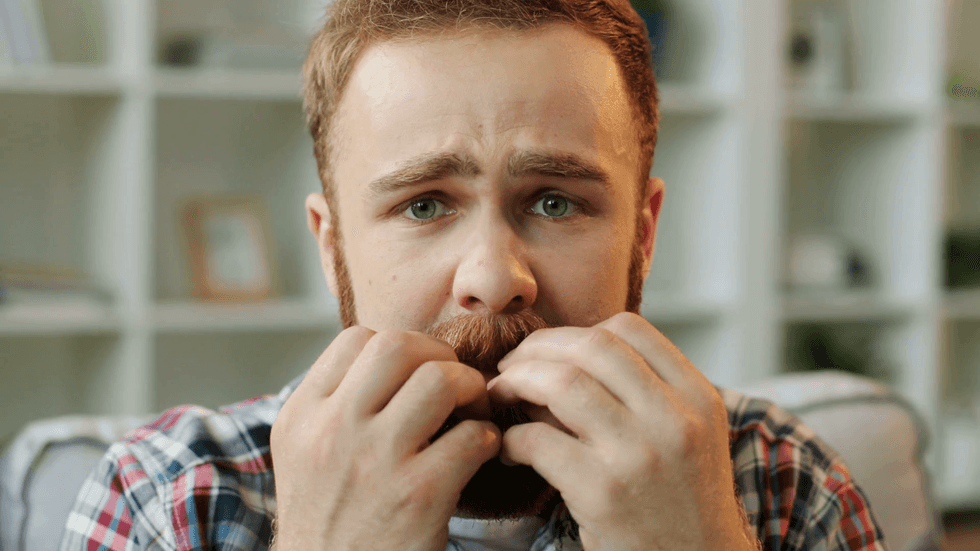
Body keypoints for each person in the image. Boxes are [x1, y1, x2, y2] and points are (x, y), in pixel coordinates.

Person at [60, 1, 889, 550]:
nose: (495, 278)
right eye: (424, 205)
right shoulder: (169, 496)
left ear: (643, 236)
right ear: (332, 243)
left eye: (557, 202)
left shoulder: (775, 481)